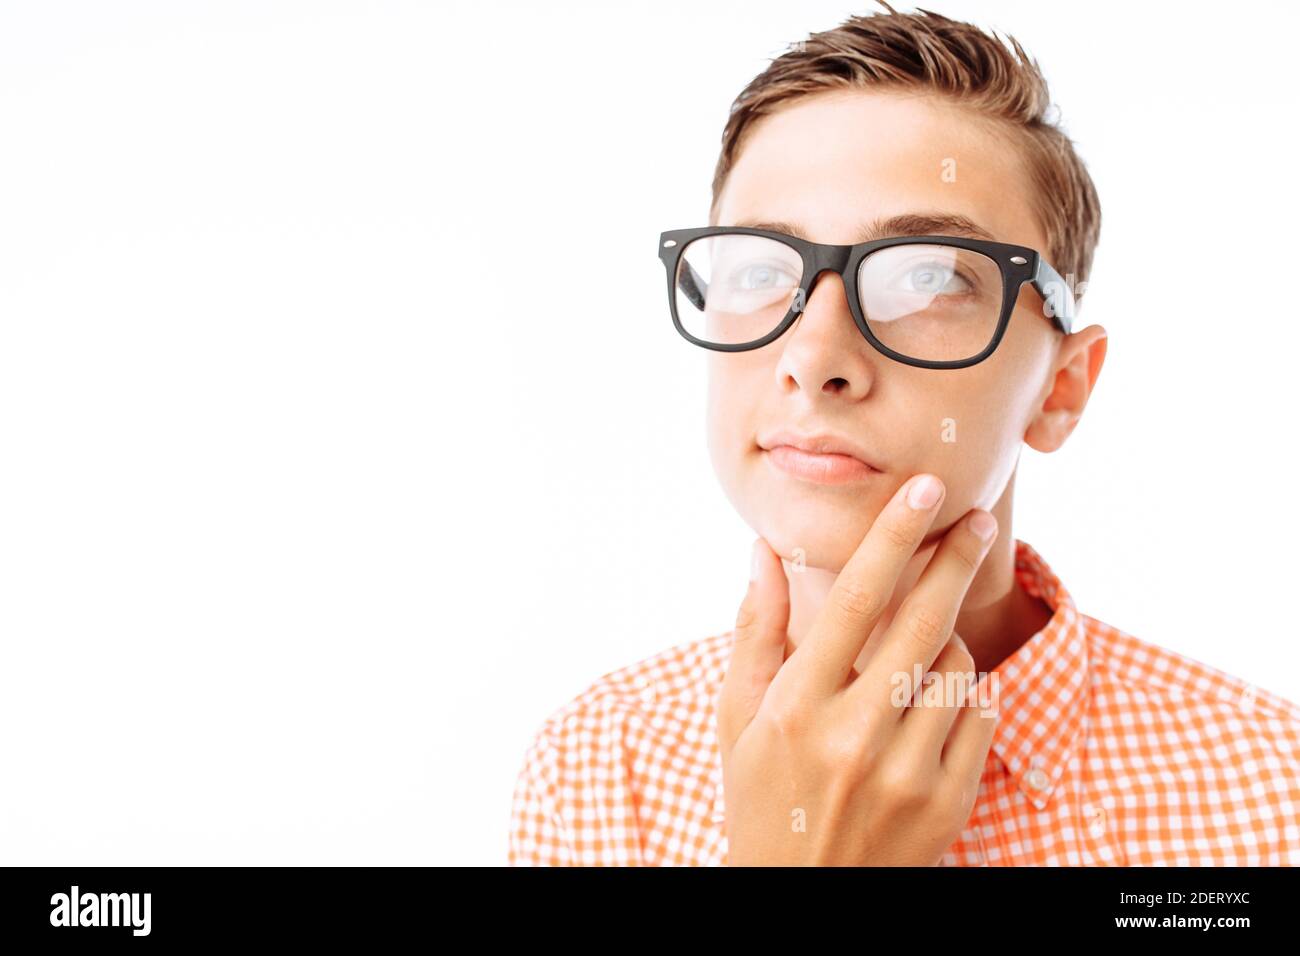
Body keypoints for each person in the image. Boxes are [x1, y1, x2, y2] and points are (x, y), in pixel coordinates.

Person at [508, 2, 1300, 866]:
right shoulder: (596, 764)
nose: (814, 358)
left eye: (929, 276)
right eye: (763, 268)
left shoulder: (1270, 784)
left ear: (1061, 388)